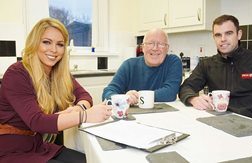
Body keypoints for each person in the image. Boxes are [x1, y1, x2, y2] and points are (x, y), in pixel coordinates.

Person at [0, 18, 112, 163]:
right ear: (34, 43)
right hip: (10, 151)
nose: (53, 50)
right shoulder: (17, 73)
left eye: (60, 44)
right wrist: (84, 116)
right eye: (46, 42)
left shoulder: (57, 73)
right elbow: (37, 122)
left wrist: (78, 108)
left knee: (89, 160)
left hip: (38, 146)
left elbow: (84, 96)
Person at [179, 14, 252, 125]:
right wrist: (192, 99)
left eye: (228, 33)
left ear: (239, 34)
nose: (223, 39)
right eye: (218, 35)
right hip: (219, 123)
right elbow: (186, 87)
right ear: (213, 37)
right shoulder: (207, 65)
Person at [102, 28, 183, 105]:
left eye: (161, 44)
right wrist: (125, 98)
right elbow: (108, 93)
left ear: (167, 48)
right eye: (150, 43)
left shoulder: (173, 62)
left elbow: (170, 93)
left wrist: (138, 96)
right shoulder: (129, 65)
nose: (155, 48)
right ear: (142, 48)